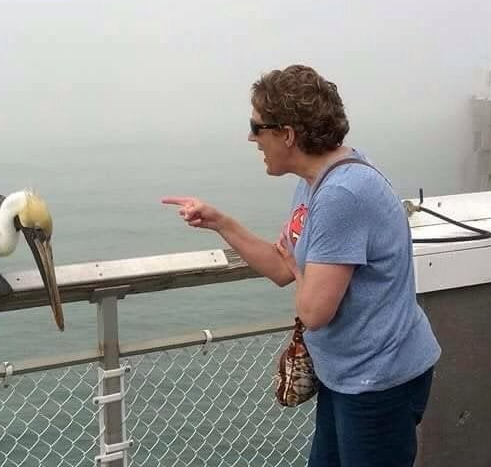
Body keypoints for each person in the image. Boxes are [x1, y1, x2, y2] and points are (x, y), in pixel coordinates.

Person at [161, 64, 441, 467]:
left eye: (257, 126)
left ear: (287, 134)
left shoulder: (343, 193)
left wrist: (297, 267)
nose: (250, 137)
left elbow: (313, 311)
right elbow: (281, 266)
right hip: (346, 375)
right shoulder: (314, 182)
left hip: (378, 382)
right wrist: (221, 222)